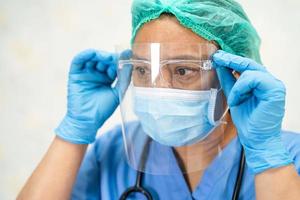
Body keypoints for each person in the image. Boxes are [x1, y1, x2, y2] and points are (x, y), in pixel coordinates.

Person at [18, 0, 300, 199]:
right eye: (142, 69)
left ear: (234, 72)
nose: (158, 88)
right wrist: (73, 132)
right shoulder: (113, 151)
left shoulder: (288, 156)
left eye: (182, 70)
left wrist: (268, 159)